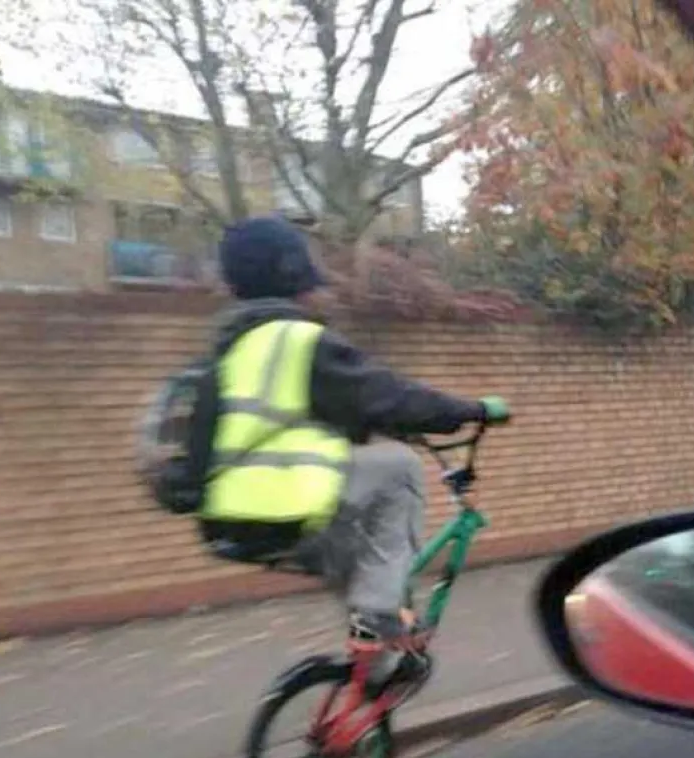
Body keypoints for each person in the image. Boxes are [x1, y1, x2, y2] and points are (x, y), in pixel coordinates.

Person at [190, 215, 509, 689]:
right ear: (291, 272)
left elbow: (310, 415)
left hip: (233, 521)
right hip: (281, 505)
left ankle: (375, 671)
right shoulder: (297, 340)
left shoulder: (232, 349)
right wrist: (472, 409)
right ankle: (380, 617)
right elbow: (388, 395)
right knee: (399, 466)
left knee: (360, 556)